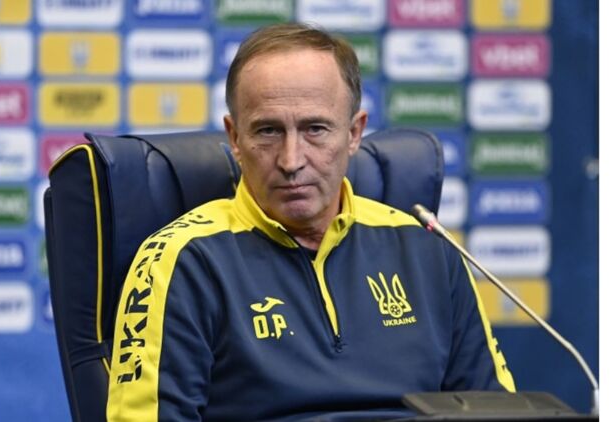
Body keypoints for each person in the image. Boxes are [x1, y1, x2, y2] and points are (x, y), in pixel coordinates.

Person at [107, 23, 515, 421]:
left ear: (354, 133)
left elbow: (495, 411)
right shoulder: (181, 261)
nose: (291, 160)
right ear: (234, 138)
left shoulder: (428, 248)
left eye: (315, 129)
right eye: (268, 131)